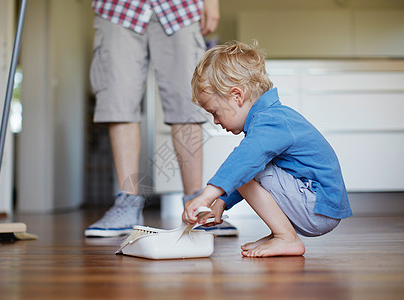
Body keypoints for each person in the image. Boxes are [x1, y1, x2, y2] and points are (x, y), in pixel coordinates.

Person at [182, 41, 352, 257]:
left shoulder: (271, 120)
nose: (215, 121)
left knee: (246, 166)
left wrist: (206, 197)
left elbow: (245, 163)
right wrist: (222, 202)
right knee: (249, 167)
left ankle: (286, 237)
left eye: (215, 112)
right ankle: (281, 233)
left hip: (317, 207)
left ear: (237, 96)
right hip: (317, 204)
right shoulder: (271, 118)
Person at [85, 0, 238, 237]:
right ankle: (127, 205)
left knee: (189, 102)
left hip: (180, 7)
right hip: (116, 7)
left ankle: (196, 205)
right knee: (119, 102)